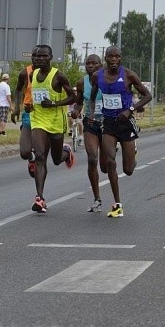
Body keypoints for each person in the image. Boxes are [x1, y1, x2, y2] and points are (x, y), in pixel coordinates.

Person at [89, 45, 151, 218]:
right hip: (109, 123)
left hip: (126, 123)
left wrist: (130, 109)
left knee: (128, 169)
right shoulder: (97, 76)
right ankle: (117, 204)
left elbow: (148, 96)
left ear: (121, 58)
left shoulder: (128, 75)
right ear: (106, 58)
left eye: (117, 57)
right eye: (111, 57)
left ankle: (133, 151)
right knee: (110, 162)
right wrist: (93, 114)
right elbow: (93, 97)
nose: (114, 60)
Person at [29, 44, 76, 213]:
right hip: (38, 119)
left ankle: (66, 152)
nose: (39, 59)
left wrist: (54, 103)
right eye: (37, 56)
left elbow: (73, 97)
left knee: (56, 159)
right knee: (40, 155)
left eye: (43, 56)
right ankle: (40, 198)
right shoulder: (32, 74)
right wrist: (28, 106)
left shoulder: (58, 76)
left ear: (50, 57)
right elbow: (33, 96)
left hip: (56, 121)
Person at [71, 54, 105, 212]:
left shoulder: (108, 80)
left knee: (106, 166)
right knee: (92, 158)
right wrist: (75, 111)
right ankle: (97, 198)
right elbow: (79, 103)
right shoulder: (82, 82)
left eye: (94, 63)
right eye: (88, 64)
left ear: (101, 65)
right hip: (90, 124)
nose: (90, 66)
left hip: (108, 124)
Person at [12, 47, 47, 178]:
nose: (36, 58)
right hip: (29, 113)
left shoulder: (52, 73)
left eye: (40, 56)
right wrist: (16, 108)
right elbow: (18, 90)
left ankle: (63, 149)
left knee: (46, 153)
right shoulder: (24, 73)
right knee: (24, 152)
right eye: (34, 56)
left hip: (46, 115)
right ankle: (32, 159)